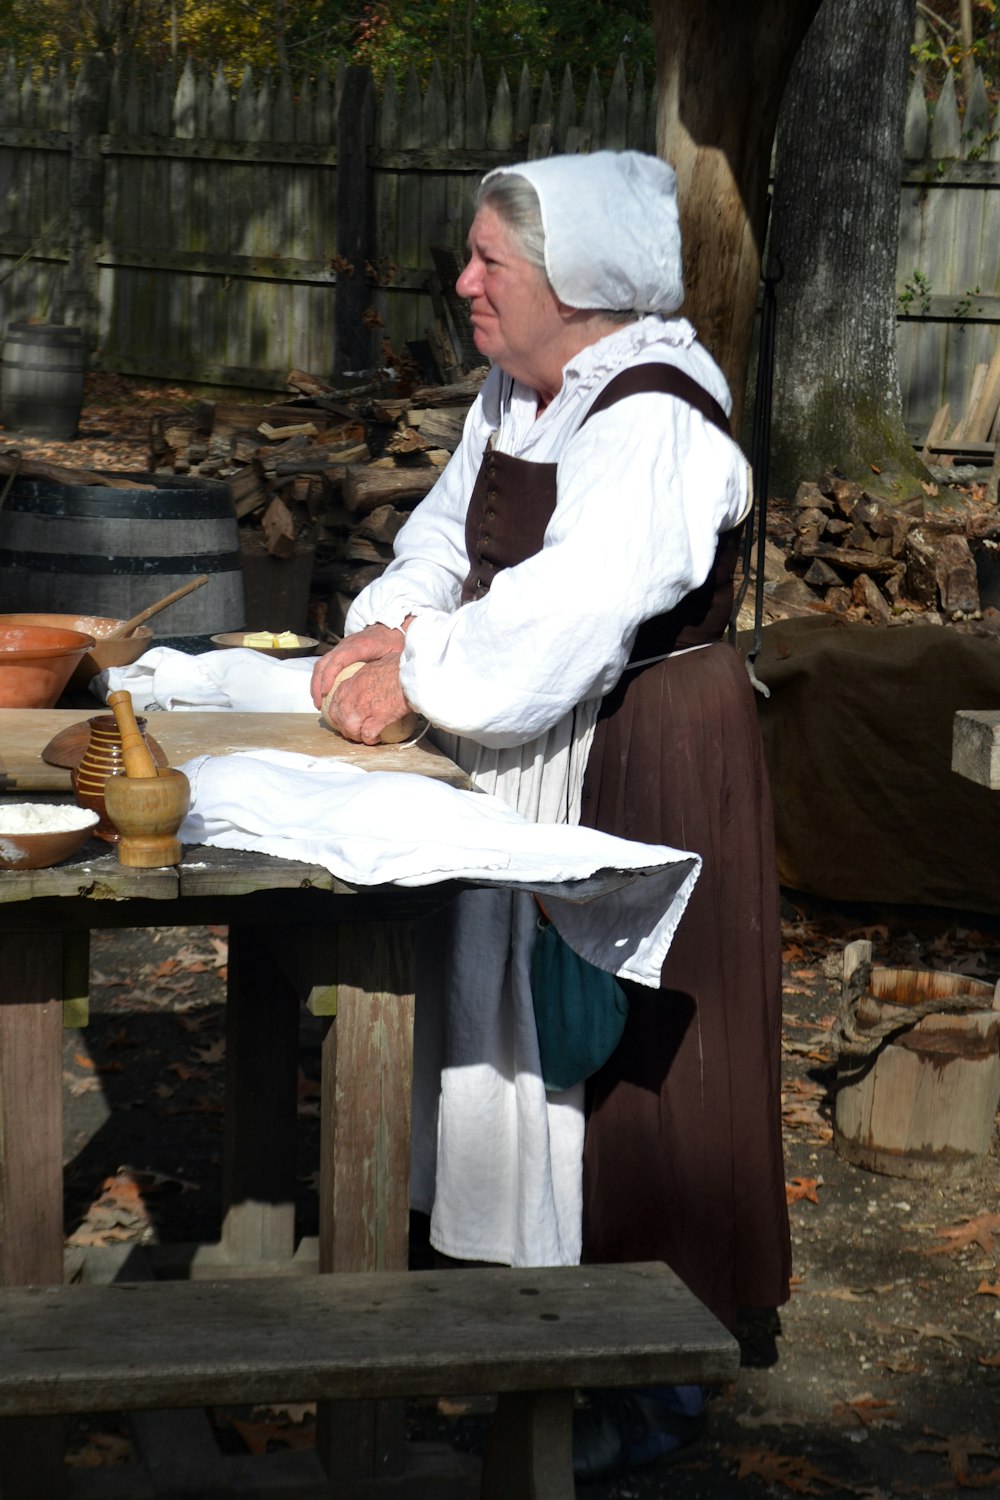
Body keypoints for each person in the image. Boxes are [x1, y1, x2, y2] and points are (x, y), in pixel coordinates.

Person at [311, 150, 791, 1476]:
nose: (463, 282)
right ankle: (522, 1328)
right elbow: (443, 545)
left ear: (575, 286)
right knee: (539, 1054)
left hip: (649, 755)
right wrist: (381, 639)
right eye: (469, 256)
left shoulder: (653, 416)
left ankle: (649, 1384)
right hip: (540, 741)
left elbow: (562, 620)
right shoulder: (516, 393)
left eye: (489, 263)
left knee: (640, 1076)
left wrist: (418, 678)